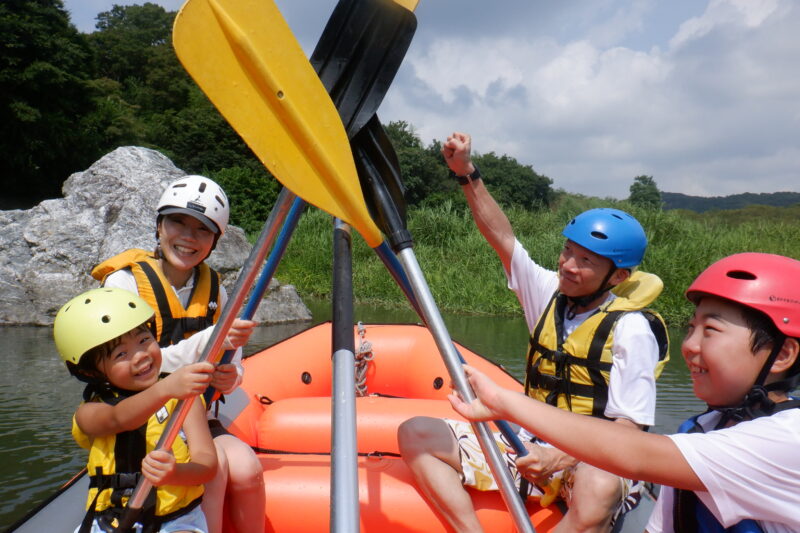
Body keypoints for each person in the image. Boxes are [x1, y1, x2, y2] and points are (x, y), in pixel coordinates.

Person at [398, 132, 669, 532]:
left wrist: (562, 457)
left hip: (592, 459)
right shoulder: (548, 293)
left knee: (599, 485)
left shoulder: (632, 329)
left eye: (587, 261)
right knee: (415, 433)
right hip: (526, 444)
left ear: (619, 276)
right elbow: (502, 237)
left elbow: (629, 431)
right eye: (568, 252)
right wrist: (466, 173)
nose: (568, 266)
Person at [449, 252, 800, 532]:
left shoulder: (786, 440)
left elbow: (632, 453)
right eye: (691, 328)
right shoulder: (704, 428)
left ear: (782, 354)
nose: (689, 346)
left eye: (711, 331)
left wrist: (503, 402)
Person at [91, 175, 264, 533]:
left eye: (202, 230)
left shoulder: (216, 287)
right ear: (159, 226)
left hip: (193, 416)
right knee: (214, 473)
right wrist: (210, 341)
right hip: (141, 417)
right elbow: (126, 367)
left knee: (247, 467)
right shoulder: (123, 284)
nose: (188, 237)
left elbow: (235, 362)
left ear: (214, 241)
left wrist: (231, 377)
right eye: (178, 222)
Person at [54, 287, 217, 533]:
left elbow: (207, 466)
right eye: (121, 354)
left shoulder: (184, 400)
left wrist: (174, 473)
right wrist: (165, 390)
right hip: (109, 521)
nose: (141, 355)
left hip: (176, 522)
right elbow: (119, 418)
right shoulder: (90, 412)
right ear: (90, 372)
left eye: (144, 340)